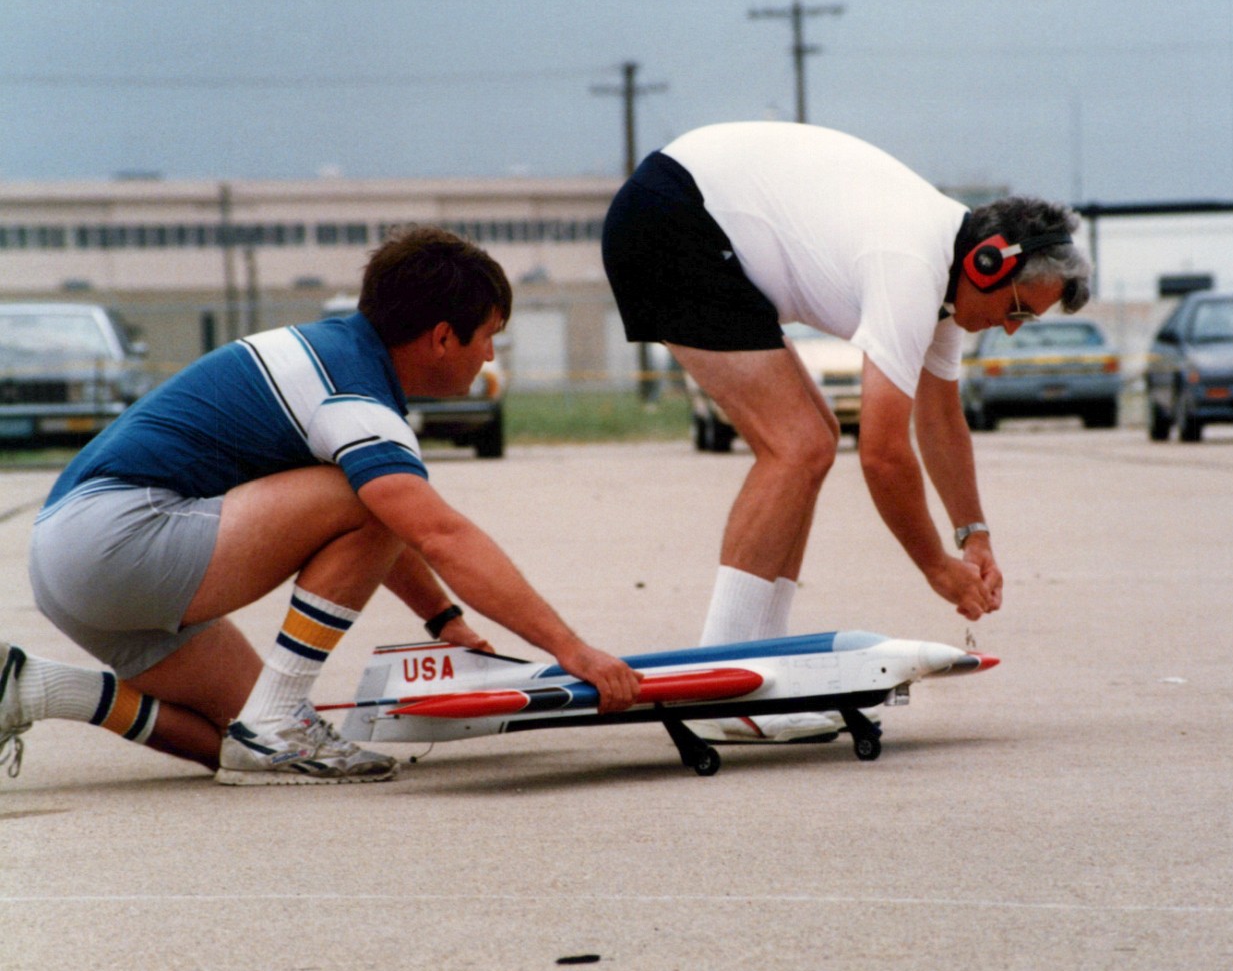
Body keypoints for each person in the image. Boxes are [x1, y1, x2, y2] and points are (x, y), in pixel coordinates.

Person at [1, 226, 639, 786]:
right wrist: (572, 651)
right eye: (490, 337)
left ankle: (41, 688)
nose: (491, 355)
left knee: (245, 746)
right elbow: (439, 534)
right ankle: (279, 719)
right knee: (368, 505)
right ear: (444, 337)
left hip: (70, 556)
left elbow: (382, 528)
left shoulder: (333, 353)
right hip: (118, 539)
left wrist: (443, 619)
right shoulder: (355, 397)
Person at [601, 122, 1092, 742]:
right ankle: (721, 681)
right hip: (672, 219)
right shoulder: (911, 262)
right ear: (987, 264)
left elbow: (940, 419)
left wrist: (975, 536)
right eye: (1019, 309)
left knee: (810, 439)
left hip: (688, 213)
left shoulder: (946, 279)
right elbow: (884, 455)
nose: (1013, 328)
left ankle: (755, 677)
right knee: (799, 445)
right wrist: (935, 569)